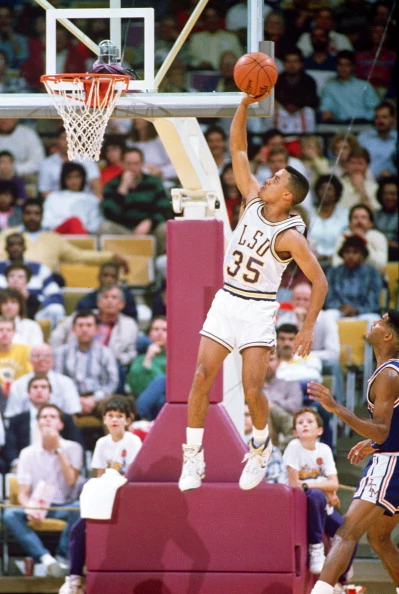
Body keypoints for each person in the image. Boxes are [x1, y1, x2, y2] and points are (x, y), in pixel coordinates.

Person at [178, 92, 328, 493]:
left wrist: (307, 326)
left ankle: (260, 447)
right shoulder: (250, 200)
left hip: (259, 309)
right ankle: (193, 456)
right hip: (227, 299)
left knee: (250, 389)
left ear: (288, 197)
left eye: (276, 178)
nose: (268, 178)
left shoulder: (292, 236)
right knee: (200, 377)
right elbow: (238, 148)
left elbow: (320, 281)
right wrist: (242, 105)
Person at [308, 309, 399, 594]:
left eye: (381, 320)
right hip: (391, 455)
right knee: (379, 536)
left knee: (347, 532)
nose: (374, 321)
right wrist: (373, 443)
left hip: (391, 464)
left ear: (387, 335)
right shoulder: (390, 371)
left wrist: (337, 409)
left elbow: (382, 429)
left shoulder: (389, 375)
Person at [59, 398, 142, 594]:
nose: (115, 420)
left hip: (126, 496)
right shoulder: (101, 443)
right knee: (78, 529)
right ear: (104, 419)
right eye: (111, 416)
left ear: (127, 420)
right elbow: (99, 476)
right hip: (105, 495)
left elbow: (133, 476)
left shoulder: (133, 441)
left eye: (119, 416)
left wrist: (114, 473)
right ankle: (74, 578)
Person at [3, 403, 83, 577]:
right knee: (9, 514)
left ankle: (63, 556)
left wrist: (57, 448)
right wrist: (30, 506)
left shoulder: (73, 448)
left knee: (81, 506)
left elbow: (70, 480)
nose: (48, 420)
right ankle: (46, 559)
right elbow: (23, 492)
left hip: (64, 507)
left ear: (61, 424)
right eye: (43, 417)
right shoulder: (27, 453)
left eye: (53, 417)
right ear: (38, 423)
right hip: (38, 506)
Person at [283, 407, 354, 584]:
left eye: (309, 422)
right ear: (294, 432)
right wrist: (325, 489)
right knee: (316, 495)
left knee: (350, 534)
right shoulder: (294, 447)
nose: (304, 425)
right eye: (300, 423)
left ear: (320, 430)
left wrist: (325, 488)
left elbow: (334, 483)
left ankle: (340, 581)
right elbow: (294, 484)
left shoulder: (324, 450)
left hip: (323, 506)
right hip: (300, 503)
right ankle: (316, 547)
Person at [0, 199, 127, 274]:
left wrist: (111, 256)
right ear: (22, 215)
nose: (32, 217)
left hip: (45, 285)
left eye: (36, 213)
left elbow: (79, 256)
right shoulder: (8, 235)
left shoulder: (54, 238)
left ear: (42, 216)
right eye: (28, 213)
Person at [50, 286, 138, 393]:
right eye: (105, 297)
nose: (109, 301)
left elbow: (132, 353)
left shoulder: (129, 325)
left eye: (114, 297)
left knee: (117, 370)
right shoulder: (81, 317)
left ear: (122, 304)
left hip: (107, 364)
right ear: (98, 302)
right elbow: (56, 337)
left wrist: (115, 358)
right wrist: (64, 353)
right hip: (74, 359)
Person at [277, 283, 343, 405]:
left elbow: (333, 353)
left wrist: (307, 356)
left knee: (334, 365)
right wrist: (298, 324)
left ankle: (337, 407)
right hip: (290, 362)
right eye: (298, 299)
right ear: (292, 301)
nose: (301, 303)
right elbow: (280, 350)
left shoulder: (326, 319)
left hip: (318, 361)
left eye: (306, 300)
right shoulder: (283, 321)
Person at [101, 148, 173, 255]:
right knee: (104, 227)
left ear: (142, 164)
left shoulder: (154, 183)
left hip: (148, 230)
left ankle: (156, 264)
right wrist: (122, 189)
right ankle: (113, 263)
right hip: (124, 230)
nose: (132, 168)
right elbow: (108, 213)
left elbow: (165, 209)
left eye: (136, 164)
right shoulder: (112, 185)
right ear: (122, 164)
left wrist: (150, 222)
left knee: (164, 228)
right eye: (128, 164)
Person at [2, 376, 82, 472]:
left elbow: (77, 444)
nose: (39, 390)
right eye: (35, 387)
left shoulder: (65, 418)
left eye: (44, 387)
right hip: (24, 466)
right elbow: (10, 447)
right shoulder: (17, 420)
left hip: (59, 465)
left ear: (50, 393)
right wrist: (17, 463)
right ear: (28, 393)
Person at [53, 311, 119, 415]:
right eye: (80, 325)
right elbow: (57, 380)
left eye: (89, 325)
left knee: (112, 411)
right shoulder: (61, 353)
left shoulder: (106, 353)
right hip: (69, 398)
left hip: (99, 399)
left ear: (97, 329)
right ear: (73, 329)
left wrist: (95, 398)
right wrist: (76, 400)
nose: (84, 329)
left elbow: (112, 382)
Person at [0, 232, 65, 326]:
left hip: (35, 309)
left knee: (56, 308)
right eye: (11, 245)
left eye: (19, 244)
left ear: (24, 247)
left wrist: (36, 302)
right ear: (6, 248)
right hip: (3, 312)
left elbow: (55, 294)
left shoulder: (40, 268)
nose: (15, 248)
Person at [5, 344, 82, 418]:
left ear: (53, 360)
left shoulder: (66, 383)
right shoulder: (18, 385)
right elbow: (12, 415)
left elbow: (72, 412)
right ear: (29, 360)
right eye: (37, 356)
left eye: (46, 355)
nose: (42, 359)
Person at [325, 235, 383, 325]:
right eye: (347, 252)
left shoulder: (373, 273)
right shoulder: (333, 272)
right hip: (340, 311)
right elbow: (329, 299)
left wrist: (356, 310)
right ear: (342, 254)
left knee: (374, 319)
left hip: (363, 313)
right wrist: (342, 308)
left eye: (355, 252)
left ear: (362, 255)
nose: (350, 256)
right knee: (326, 316)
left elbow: (373, 303)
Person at [38, 127, 102, 199]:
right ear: (57, 141)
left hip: (84, 202)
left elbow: (97, 188)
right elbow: (44, 191)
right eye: (63, 138)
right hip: (58, 204)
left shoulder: (87, 160)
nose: (67, 142)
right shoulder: (47, 164)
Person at [319, 50, 380, 123]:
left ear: (353, 67)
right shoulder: (329, 88)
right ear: (336, 66)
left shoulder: (364, 85)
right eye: (340, 65)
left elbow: (375, 108)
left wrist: (366, 118)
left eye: (347, 65)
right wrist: (327, 113)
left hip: (363, 123)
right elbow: (326, 108)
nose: (343, 68)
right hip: (340, 125)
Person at [42, 162, 103, 235]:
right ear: (64, 179)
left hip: (85, 234)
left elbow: (95, 224)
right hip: (59, 234)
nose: (73, 181)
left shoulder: (91, 199)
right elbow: (47, 221)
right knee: (74, 222)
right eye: (69, 177)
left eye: (77, 177)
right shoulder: (53, 197)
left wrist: (80, 228)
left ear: (83, 179)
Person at [126, 316, 167, 421]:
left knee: (161, 381)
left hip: (167, 401)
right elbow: (136, 387)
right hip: (148, 400)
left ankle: (138, 413)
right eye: (155, 329)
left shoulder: (175, 358)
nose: (159, 333)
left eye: (164, 330)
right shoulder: (141, 358)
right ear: (149, 334)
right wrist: (148, 358)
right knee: (160, 384)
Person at [333, 204, 388, 275]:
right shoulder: (342, 237)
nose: (359, 221)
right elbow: (336, 264)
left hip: (371, 277)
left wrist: (364, 242)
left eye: (363, 217)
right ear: (349, 223)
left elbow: (381, 266)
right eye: (355, 217)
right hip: (347, 277)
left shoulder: (378, 237)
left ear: (371, 223)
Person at [308, 175, 348, 271]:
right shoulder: (309, 214)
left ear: (336, 193)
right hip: (312, 262)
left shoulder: (345, 215)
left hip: (338, 263)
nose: (325, 192)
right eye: (322, 188)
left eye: (329, 189)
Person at [263, 351, 302, 450]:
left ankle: (276, 452)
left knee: (268, 407)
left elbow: (295, 406)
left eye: (271, 360)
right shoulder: (251, 387)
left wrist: (274, 403)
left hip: (284, 422)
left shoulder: (290, 384)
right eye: (263, 360)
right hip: (259, 422)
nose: (267, 364)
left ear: (279, 362)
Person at [187, 6, 243, 70]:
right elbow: (191, 60)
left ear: (219, 19)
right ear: (204, 20)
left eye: (214, 17)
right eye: (208, 17)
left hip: (226, 76)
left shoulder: (231, 38)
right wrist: (200, 64)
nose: (211, 20)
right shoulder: (196, 38)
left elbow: (239, 61)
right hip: (202, 75)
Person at [357, 101, 397, 180]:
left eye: (384, 117)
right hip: (365, 180)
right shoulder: (363, 138)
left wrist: (392, 174)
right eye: (377, 117)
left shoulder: (396, 139)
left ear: (392, 119)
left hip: (390, 182)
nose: (380, 121)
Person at [339, 147, 380, 211]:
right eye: (353, 163)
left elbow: (375, 214)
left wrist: (361, 190)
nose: (356, 167)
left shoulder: (375, 187)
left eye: (360, 163)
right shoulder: (339, 184)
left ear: (367, 166)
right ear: (347, 165)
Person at [0, 316, 31, 399]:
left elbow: (30, 376)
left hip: (21, 393)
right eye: (1, 330)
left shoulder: (26, 350)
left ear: (14, 332)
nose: (5, 333)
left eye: (8, 330)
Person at [374, 177, 398, 262]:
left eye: (393, 194)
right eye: (385, 193)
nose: (389, 197)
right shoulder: (374, 215)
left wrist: (392, 244)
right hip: (377, 254)